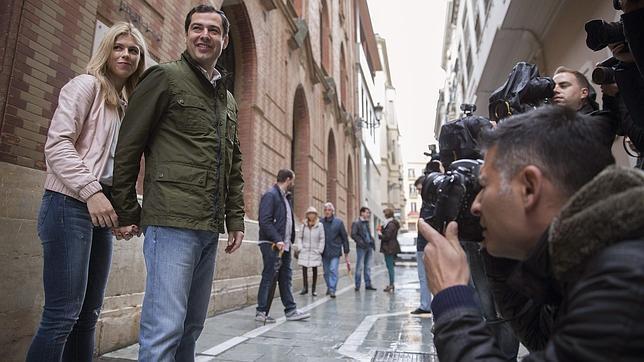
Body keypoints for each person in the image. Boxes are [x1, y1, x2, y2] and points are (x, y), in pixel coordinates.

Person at [420, 105, 644, 360]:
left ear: (529, 187)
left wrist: (451, 297)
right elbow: (539, 336)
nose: (475, 205)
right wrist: (498, 248)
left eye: (484, 186)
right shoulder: (587, 256)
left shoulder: (623, 282)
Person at [110, 6, 245, 361]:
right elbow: (128, 145)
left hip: (207, 227)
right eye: (197, 28)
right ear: (187, 35)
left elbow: (234, 164)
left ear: (224, 40)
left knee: (190, 328)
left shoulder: (227, 100)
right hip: (171, 222)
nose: (204, 35)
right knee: (164, 329)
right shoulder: (163, 78)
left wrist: (235, 219)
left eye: (213, 30)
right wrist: (126, 209)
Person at [26, 23, 147, 361]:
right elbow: (57, 146)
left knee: (88, 317)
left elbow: (117, 170)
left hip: (100, 211)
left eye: (133, 50)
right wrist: (92, 192)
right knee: (62, 315)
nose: (125, 54)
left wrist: (120, 212)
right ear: (106, 51)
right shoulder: (85, 87)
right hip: (67, 204)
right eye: (118, 47)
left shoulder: (125, 107)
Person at [255, 169, 310, 323]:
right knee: (269, 276)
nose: (294, 183)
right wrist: (277, 239)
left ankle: (291, 311)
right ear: (287, 179)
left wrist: (289, 241)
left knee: (286, 277)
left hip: (284, 245)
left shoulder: (286, 198)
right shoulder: (270, 195)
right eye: (293, 180)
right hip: (272, 244)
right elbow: (264, 220)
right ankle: (261, 312)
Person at [411, 175, 432, 314]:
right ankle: (426, 305)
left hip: (426, 245)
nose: (418, 193)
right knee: (425, 277)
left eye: (419, 189)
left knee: (425, 276)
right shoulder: (430, 203)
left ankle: (426, 305)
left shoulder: (429, 204)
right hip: (426, 244)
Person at [319, 202, 350, 298]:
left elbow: (344, 237)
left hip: (335, 251)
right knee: (326, 272)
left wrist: (346, 251)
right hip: (324, 251)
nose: (327, 212)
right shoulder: (320, 222)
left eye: (329, 210)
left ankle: (332, 289)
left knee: (333, 270)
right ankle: (329, 286)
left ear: (333, 211)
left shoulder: (338, 222)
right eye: (325, 210)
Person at [294, 206, 325, 296]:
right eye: (309, 214)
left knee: (315, 269)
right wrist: (300, 247)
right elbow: (300, 237)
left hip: (315, 250)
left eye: (313, 214)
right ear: (307, 215)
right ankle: (305, 287)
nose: (311, 215)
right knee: (304, 269)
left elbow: (322, 238)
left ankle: (314, 289)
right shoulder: (303, 225)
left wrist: (320, 250)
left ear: (315, 215)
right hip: (305, 250)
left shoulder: (320, 225)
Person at [351, 207, 377, 291]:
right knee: (359, 266)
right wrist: (361, 242)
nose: (368, 214)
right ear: (362, 213)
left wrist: (372, 241)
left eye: (369, 213)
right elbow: (353, 234)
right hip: (361, 247)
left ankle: (368, 284)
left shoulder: (366, 222)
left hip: (369, 246)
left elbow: (368, 234)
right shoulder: (356, 223)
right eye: (367, 212)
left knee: (368, 266)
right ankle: (357, 285)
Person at [379, 208, 401, 292]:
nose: (383, 215)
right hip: (390, 247)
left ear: (387, 215)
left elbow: (387, 236)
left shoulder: (390, 224)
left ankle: (391, 284)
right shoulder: (390, 223)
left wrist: (380, 234)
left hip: (389, 247)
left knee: (390, 266)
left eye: (384, 214)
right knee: (390, 266)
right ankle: (391, 284)